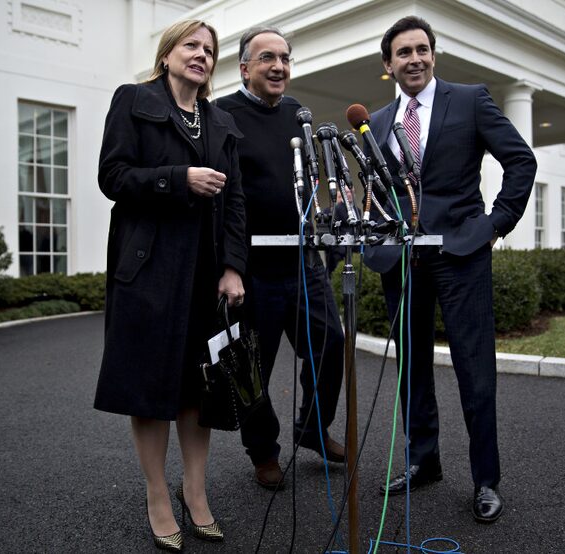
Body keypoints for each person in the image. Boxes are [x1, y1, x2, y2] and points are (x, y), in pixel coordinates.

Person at [364, 16, 536, 523]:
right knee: (411, 369)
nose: (413, 59)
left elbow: (520, 161)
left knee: (474, 373)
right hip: (403, 262)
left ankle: (486, 480)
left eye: (422, 49)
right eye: (403, 52)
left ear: (433, 55)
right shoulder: (375, 123)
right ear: (388, 64)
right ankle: (423, 462)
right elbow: (377, 191)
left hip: (461, 255)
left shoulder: (471, 99)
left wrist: (495, 224)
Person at [93, 19, 246, 551]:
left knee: (199, 389)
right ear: (167, 54)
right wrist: (177, 179)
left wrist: (233, 267)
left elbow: (235, 204)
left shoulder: (221, 121)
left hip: (207, 272)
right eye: (191, 46)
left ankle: (195, 491)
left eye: (209, 49)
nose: (201, 55)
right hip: (149, 268)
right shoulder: (134, 100)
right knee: (151, 387)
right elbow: (112, 176)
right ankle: (158, 494)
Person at [214, 27, 346, 491]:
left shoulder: (298, 115)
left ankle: (312, 428)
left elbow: (307, 183)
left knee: (331, 343)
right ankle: (263, 451)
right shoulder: (221, 115)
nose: (279, 66)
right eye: (267, 58)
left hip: (304, 261)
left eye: (285, 58)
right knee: (252, 368)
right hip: (252, 269)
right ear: (244, 68)